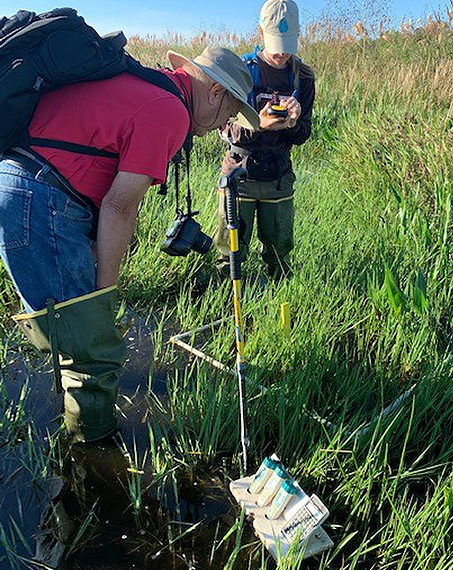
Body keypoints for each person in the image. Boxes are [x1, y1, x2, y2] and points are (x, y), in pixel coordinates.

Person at [0, 46, 259, 443]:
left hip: (25, 188)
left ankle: (74, 400)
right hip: (38, 199)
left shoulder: (146, 85)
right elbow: (119, 207)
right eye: (227, 115)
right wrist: (104, 297)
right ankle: (93, 445)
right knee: (92, 344)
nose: (218, 127)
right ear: (216, 92)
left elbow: (87, 158)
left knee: (70, 325)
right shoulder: (169, 112)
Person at [215, 0, 315, 281]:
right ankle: (227, 305)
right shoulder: (240, 69)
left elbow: (303, 134)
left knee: (280, 256)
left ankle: (280, 301)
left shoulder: (303, 77)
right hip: (238, 176)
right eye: (276, 42)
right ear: (260, 32)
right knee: (230, 254)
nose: (283, 52)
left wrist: (293, 123)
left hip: (279, 178)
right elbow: (224, 129)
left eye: (288, 43)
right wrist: (259, 124)